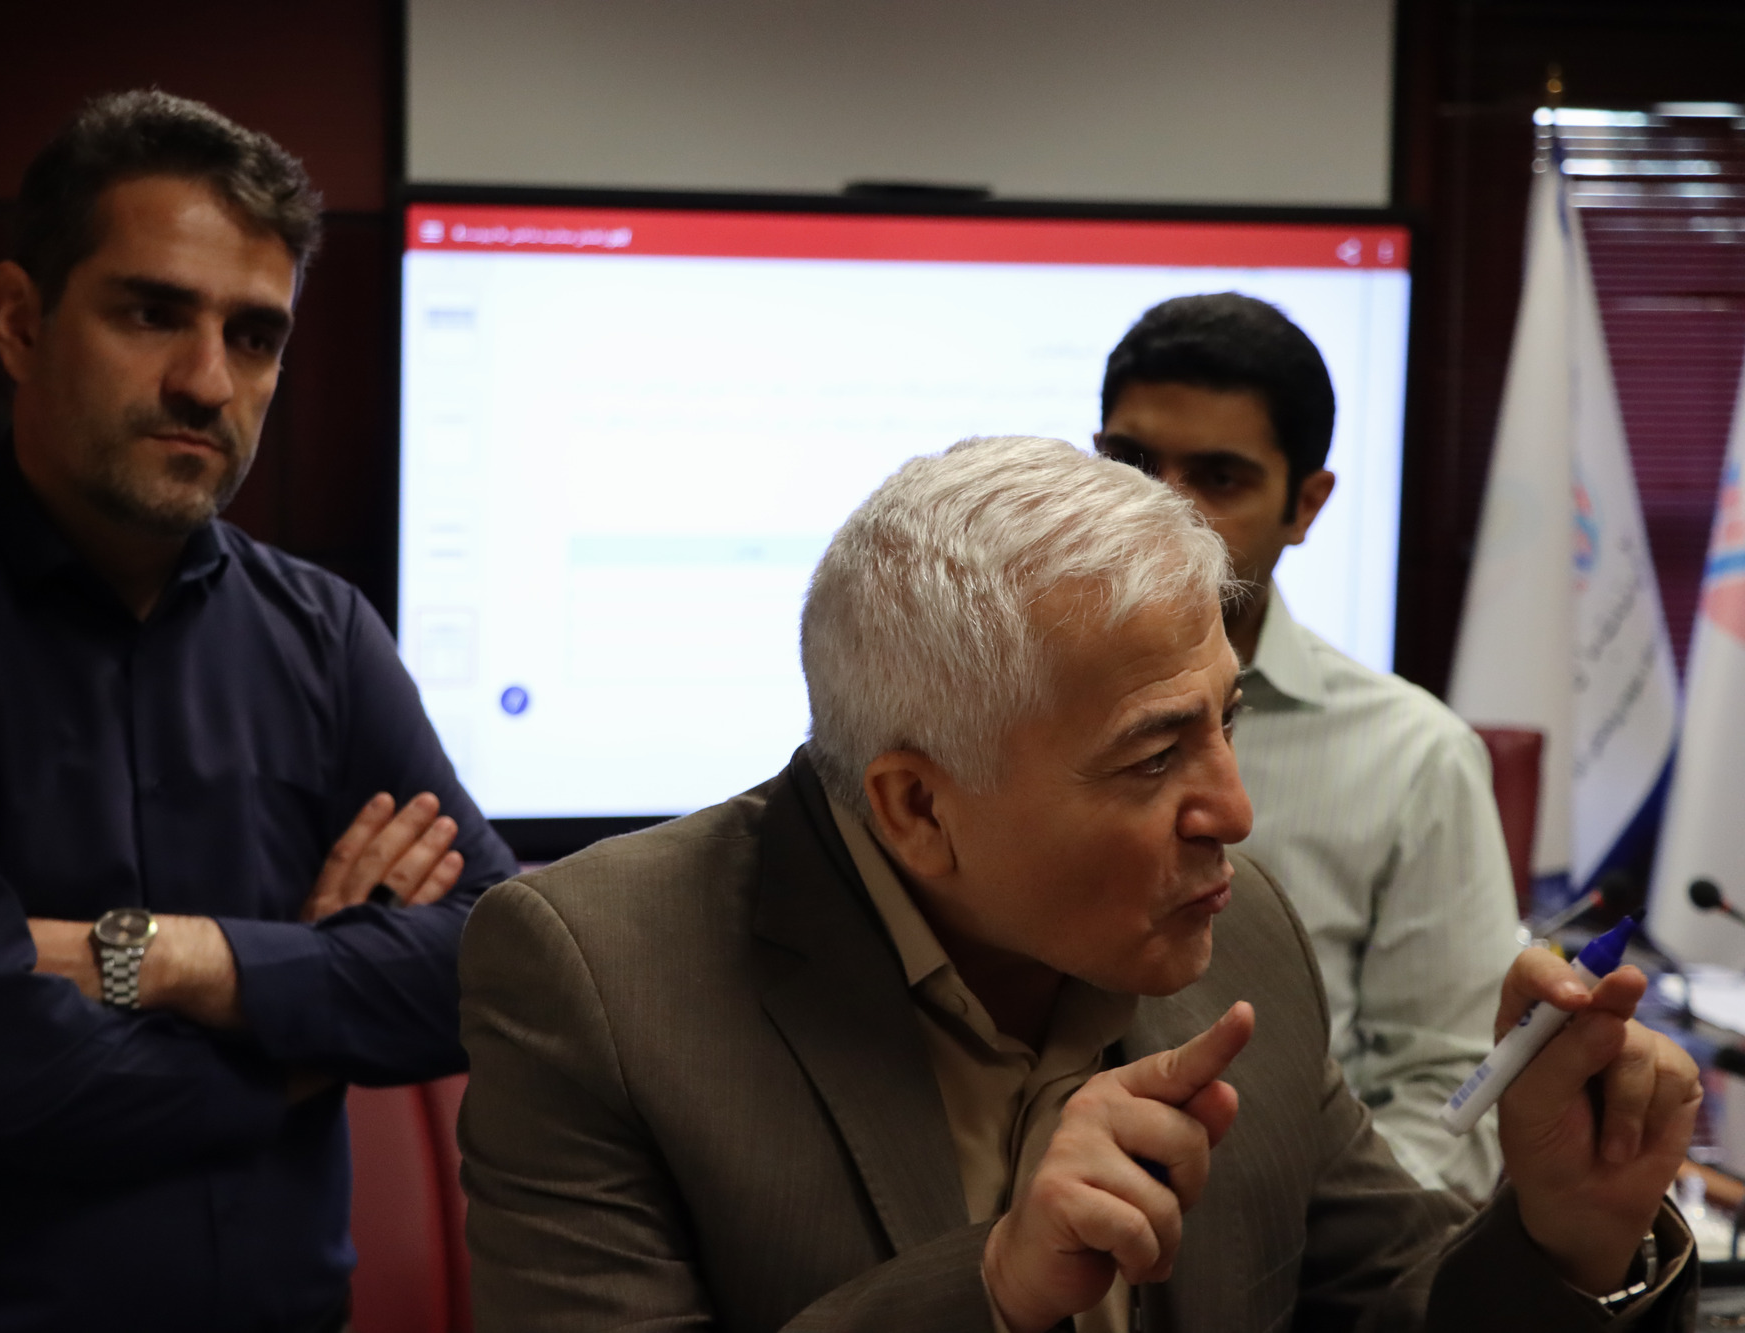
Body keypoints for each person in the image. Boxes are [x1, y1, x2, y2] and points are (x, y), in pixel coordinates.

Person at [457, 435, 1697, 1332]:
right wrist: (991, 1289)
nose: (1234, 813)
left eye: (1225, 721)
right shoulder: (602, 979)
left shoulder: (1238, 933)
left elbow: (1387, 1303)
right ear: (917, 807)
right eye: (1154, 756)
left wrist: (1565, 1233)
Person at [0, 91, 515, 1331]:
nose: (207, 381)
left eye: (254, 335)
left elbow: (493, 968)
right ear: (18, 319)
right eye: (153, 313)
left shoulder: (324, 634)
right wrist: (311, 1024)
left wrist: (169, 958)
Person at [1093, 293, 1520, 1198]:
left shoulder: (1415, 756)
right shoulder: (1003, 711)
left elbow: (1449, 1090)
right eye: (1130, 465)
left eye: (1218, 478)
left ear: (1306, 504)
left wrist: (1302, 1237)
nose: (1161, 512)